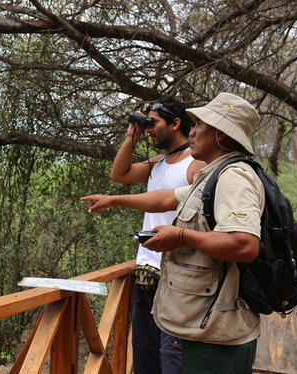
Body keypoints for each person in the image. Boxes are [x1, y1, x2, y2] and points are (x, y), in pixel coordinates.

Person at [82, 92, 263, 373]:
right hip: (181, 294)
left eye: (201, 124)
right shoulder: (212, 173)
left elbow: (245, 245)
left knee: (173, 361)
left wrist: (180, 236)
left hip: (207, 311)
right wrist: (114, 199)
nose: (195, 131)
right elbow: (166, 198)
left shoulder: (231, 176)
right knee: (150, 355)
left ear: (221, 136)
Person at [111, 97, 204, 374]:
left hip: (176, 273)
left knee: (172, 356)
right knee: (145, 352)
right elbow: (120, 174)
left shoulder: (195, 164)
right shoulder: (158, 163)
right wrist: (132, 137)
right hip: (146, 268)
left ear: (175, 123)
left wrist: (115, 200)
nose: (149, 129)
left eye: (154, 123)